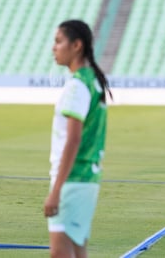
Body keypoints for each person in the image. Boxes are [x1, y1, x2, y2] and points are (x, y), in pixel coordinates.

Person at [44, 19, 112, 258]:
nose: (54, 47)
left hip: (73, 180)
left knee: (60, 254)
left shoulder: (77, 86)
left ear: (76, 46)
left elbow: (73, 140)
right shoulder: (93, 81)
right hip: (87, 179)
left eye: (59, 41)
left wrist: (56, 190)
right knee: (77, 252)